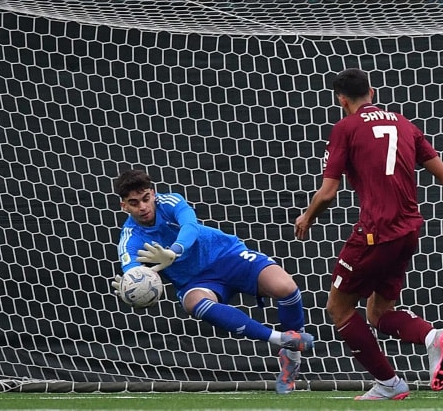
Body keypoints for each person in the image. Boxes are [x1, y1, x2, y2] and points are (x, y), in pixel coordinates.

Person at [294, 68, 443, 401]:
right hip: (408, 230)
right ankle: (432, 337)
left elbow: (327, 193)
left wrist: (307, 217)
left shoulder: (345, 128)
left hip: (375, 232)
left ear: (341, 99)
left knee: (339, 308)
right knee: (378, 313)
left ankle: (389, 383)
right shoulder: (404, 123)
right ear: (372, 90)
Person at [112, 169, 314, 395]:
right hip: (195, 281)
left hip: (226, 255)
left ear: (154, 193)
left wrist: (175, 251)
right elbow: (130, 268)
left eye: (146, 198)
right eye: (134, 202)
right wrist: (129, 284)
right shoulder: (130, 238)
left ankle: (291, 359)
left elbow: (190, 225)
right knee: (192, 303)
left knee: (286, 288)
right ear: (124, 206)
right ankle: (282, 340)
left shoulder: (171, 201)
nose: (143, 207)